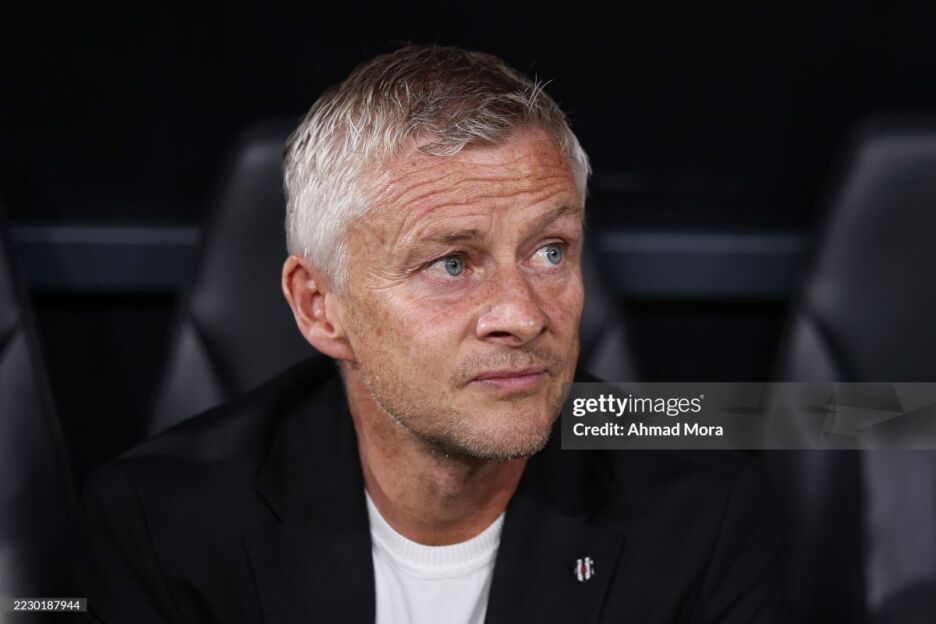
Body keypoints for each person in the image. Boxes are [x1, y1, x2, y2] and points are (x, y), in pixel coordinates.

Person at [72, 45, 785, 623]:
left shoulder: (705, 517)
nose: (523, 314)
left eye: (550, 252)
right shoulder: (159, 526)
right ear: (320, 307)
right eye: (452, 264)